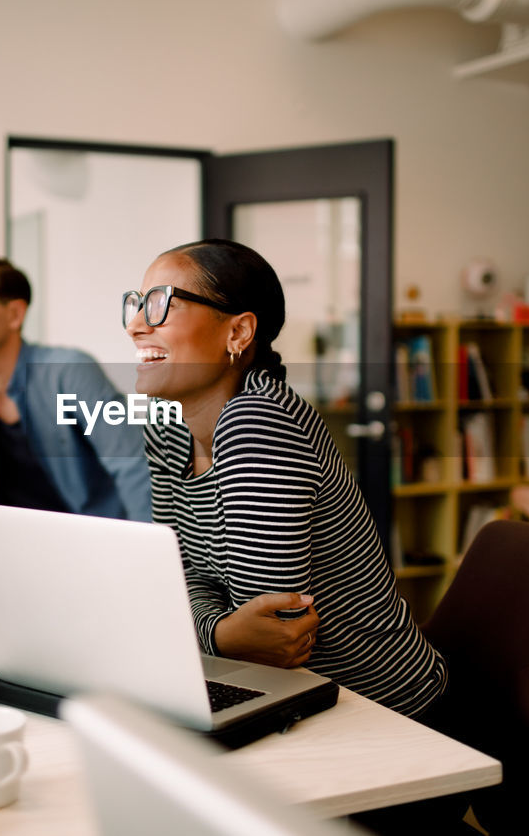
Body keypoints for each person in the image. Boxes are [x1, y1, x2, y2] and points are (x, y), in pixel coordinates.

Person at [124, 239, 447, 720]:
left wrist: (208, 626)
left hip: (382, 709)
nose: (135, 325)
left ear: (239, 331)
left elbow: (277, 633)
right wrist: (220, 632)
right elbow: (181, 576)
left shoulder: (259, 423)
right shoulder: (166, 425)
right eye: (135, 303)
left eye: (160, 305)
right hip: (284, 693)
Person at [0, 254, 150, 521]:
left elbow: (133, 467)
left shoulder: (70, 371)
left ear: (14, 314)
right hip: (8, 548)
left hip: (87, 545)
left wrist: (149, 553)